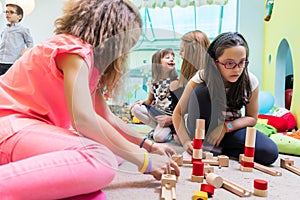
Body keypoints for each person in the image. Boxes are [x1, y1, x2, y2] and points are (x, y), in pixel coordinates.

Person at [0, 1, 180, 199]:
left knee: (113, 151)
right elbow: (83, 120)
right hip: (10, 128)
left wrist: (149, 146)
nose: (124, 53)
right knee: (100, 157)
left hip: (25, 129)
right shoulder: (75, 52)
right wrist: (144, 160)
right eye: (127, 44)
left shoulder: (87, 62)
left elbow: (107, 118)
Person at [173, 32, 278, 166]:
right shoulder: (202, 76)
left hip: (229, 128)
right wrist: (186, 141)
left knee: (269, 152)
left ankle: (219, 146)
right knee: (202, 90)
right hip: (201, 126)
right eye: (229, 63)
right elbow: (178, 113)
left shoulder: (250, 81)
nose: (237, 69)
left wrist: (226, 127)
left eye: (242, 63)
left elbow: (252, 118)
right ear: (214, 62)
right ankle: (206, 143)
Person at [131, 48, 179, 143]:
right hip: (156, 113)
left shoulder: (176, 82)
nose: (172, 59)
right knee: (136, 108)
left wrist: (173, 119)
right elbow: (149, 101)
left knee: (159, 138)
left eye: (173, 57)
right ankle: (158, 128)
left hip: (169, 117)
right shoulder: (153, 83)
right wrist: (142, 102)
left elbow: (180, 105)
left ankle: (165, 131)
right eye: (167, 57)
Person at [0, 3, 33, 75]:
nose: (8, 14)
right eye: (6, 12)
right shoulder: (4, 29)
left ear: (19, 16)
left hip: (13, 62)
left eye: (11, 12)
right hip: (1, 61)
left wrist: (24, 52)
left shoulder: (23, 30)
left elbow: (30, 44)